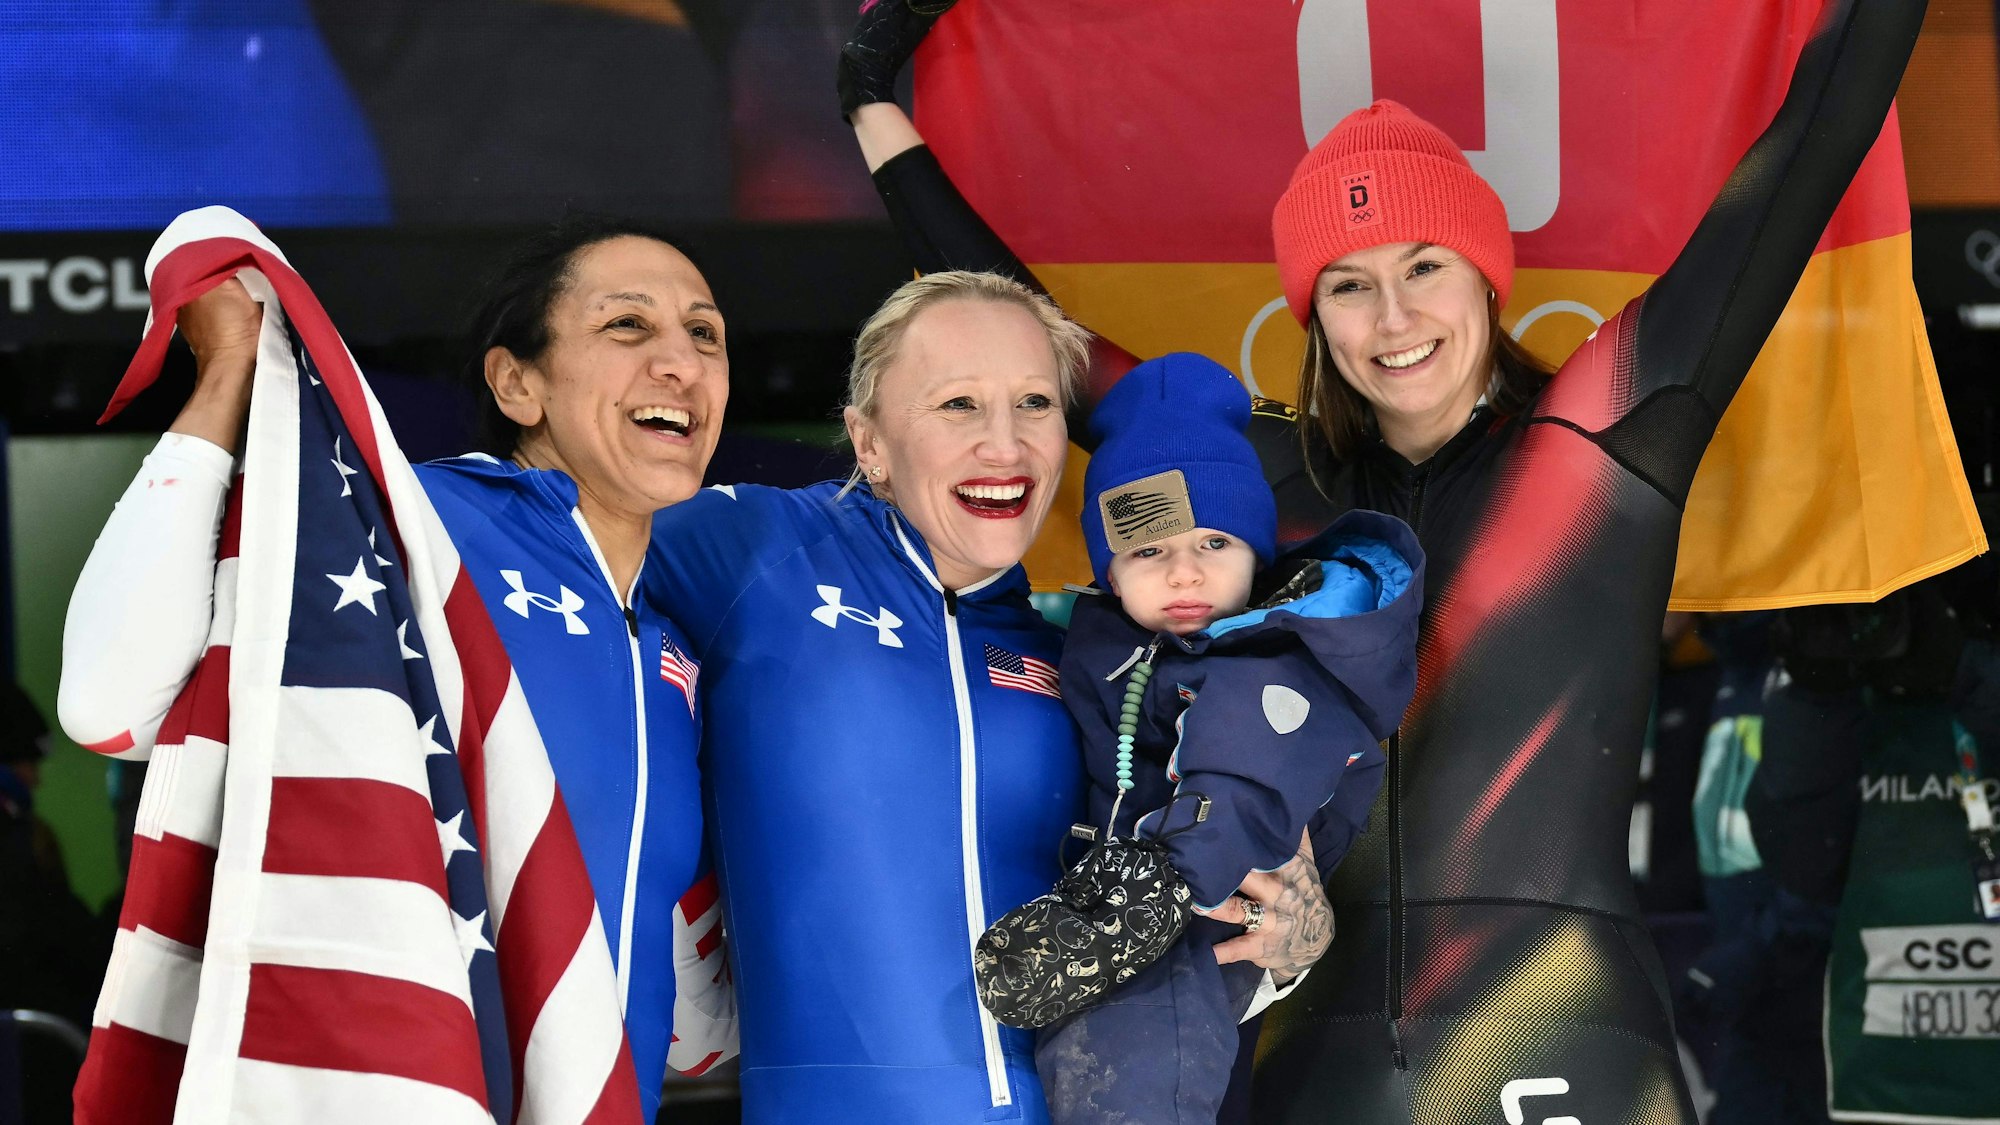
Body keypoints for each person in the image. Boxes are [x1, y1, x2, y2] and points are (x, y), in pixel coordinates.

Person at [836, 0, 1929, 1118]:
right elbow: (1039, 343)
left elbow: (1806, 154)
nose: (1391, 315)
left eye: (1424, 265)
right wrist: (874, 111)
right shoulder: (1252, 486)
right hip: (1317, 1062)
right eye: (1347, 284)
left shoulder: (1606, 433)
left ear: (1486, 277)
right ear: (1314, 316)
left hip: (1566, 1041)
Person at [56, 216, 728, 1122]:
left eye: (705, 333)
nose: (681, 362)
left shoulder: (673, 650)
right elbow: (108, 704)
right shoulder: (407, 536)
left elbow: (695, 1030)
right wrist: (226, 376)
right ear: (517, 383)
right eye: (628, 326)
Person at [641, 272, 1336, 1124]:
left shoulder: (1095, 658)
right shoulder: (757, 551)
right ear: (869, 440)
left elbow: (1172, 935)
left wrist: (1290, 950)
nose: (1005, 446)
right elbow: (542, 560)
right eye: (958, 405)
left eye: (1035, 403)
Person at [975, 350, 1421, 1123]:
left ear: (1257, 554)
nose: (1185, 573)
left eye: (1215, 543)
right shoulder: (1116, 643)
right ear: (1110, 573)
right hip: (1138, 914)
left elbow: (1241, 789)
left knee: (1132, 1068)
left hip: (1191, 915)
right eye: (1149, 549)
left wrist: (1142, 899)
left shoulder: (1268, 662)